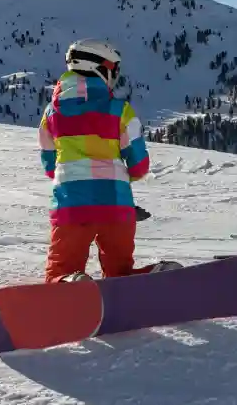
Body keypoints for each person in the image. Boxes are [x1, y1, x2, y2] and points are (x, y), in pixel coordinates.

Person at [37, 38, 180, 282]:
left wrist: (65, 175)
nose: (115, 75)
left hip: (72, 204)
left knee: (62, 268)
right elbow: (138, 164)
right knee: (120, 273)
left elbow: (49, 162)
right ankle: (158, 277)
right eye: (114, 69)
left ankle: (69, 284)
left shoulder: (52, 112)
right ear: (100, 68)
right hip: (116, 204)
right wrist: (128, 175)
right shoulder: (119, 109)